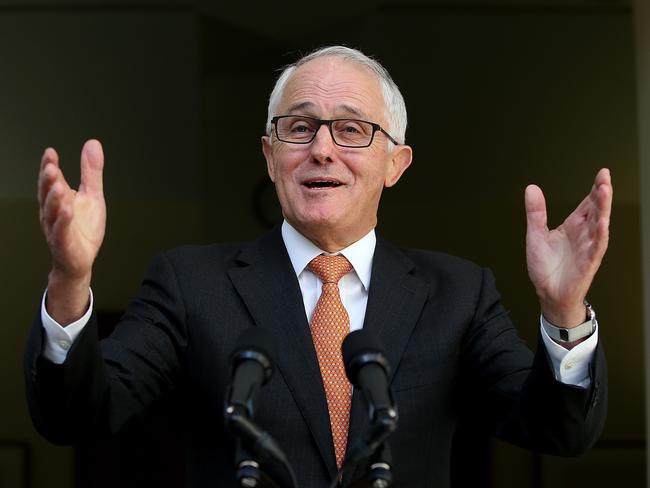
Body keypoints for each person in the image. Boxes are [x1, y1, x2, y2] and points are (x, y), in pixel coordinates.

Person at [26, 46, 611, 488]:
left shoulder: (457, 293)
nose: (322, 149)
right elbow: (78, 417)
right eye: (299, 127)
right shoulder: (190, 284)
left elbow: (556, 430)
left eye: (352, 129)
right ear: (270, 156)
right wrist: (71, 280)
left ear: (395, 164)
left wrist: (563, 311)